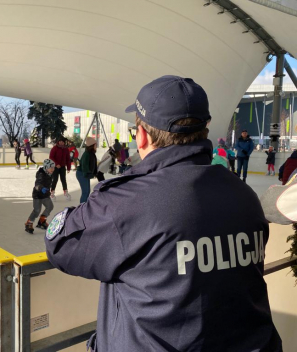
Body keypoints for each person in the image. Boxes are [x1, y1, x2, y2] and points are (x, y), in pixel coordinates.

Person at [45, 76, 281, 352]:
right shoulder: (243, 195)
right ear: (204, 129)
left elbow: (59, 244)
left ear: (142, 135)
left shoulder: (128, 201)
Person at [24, 159, 55, 234]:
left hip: (45, 195)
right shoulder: (41, 174)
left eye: (53, 167)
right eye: (50, 167)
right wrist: (41, 188)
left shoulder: (50, 174)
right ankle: (29, 223)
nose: (52, 169)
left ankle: (42, 221)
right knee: (37, 211)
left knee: (50, 206)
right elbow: (37, 184)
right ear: (45, 168)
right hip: (37, 195)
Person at [75, 137, 97, 203]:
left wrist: (94, 173)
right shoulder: (87, 154)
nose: (96, 146)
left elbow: (93, 165)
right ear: (92, 145)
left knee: (87, 191)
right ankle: (81, 209)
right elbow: (85, 166)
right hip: (82, 173)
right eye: (95, 145)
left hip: (84, 173)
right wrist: (89, 174)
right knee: (85, 192)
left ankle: (84, 207)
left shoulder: (91, 153)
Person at [49, 137, 71, 201]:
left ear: (64, 142)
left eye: (62, 141)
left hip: (63, 167)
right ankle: (52, 193)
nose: (61, 142)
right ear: (58, 142)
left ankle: (65, 192)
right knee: (55, 179)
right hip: (55, 167)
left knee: (63, 179)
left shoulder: (66, 149)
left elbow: (68, 159)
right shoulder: (54, 148)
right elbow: (51, 157)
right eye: (60, 141)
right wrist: (56, 164)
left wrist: (68, 167)